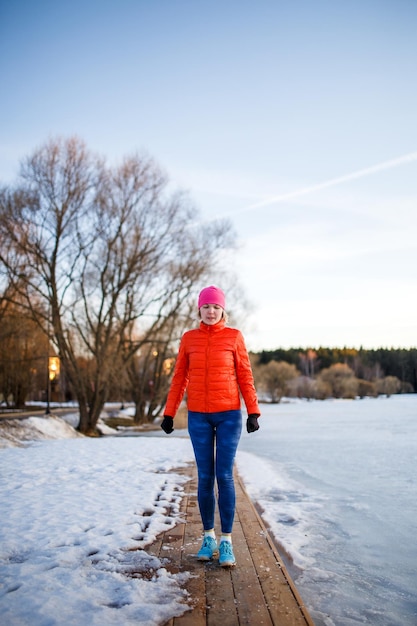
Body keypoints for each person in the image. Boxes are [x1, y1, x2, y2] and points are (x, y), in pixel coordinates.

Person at [161, 285, 260, 567]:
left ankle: (226, 541)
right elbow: (180, 377)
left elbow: (245, 374)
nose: (211, 311)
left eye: (216, 307)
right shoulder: (189, 339)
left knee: (224, 476)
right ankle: (208, 537)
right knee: (205, 477)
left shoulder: (234, 337)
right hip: (198, 417)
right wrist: (170, 413)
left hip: (229, 415)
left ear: (223, 310)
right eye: (206, 307)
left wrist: (253, 411)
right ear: (199, 310)